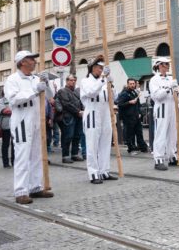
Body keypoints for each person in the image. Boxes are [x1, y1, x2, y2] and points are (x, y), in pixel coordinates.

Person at [5, 50, 54, 204]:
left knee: (36, 156)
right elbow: (13, 99)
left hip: (37, 121)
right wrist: (34, 89)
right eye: (31, 59)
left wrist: (45, 84)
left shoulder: (36, 78)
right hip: (22, 121)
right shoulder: (13, 79)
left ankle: (35, 187)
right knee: (22, 157)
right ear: (22, 62)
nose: (34, 61)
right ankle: (20, 191)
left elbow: (50, 97)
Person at [80, 55, 118, 184]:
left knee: (105, 143)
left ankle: (104, 170)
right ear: (92, 68)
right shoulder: (86, 81)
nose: (101, 70)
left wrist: (111, 84)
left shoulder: (104, 81)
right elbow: (91, 92)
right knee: (92, 145)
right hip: (92, 113)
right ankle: (93, 173)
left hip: (105, 113)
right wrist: (103, 80)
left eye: (102, 68)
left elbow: (114, 97)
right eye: (99, 68)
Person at [149, 57, 179, 171]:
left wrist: (178, 91)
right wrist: (169, 87)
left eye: (168, 64)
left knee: (172, 134)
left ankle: (171, 156)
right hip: (161, 109)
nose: (167, 66)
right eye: (165, 64)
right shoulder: (154, 80)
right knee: (161, 134)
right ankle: (158, 159)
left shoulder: (170, 79)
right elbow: (156, 96)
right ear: (159, 66)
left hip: (172, 108)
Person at [54, 75, 84, 163]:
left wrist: (82, 111)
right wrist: (78, 111)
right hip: (68, 117)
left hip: (78, 116)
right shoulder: (62, 91)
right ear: (67, 81)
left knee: (77, 136)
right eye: (71, 80)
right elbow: (66, 104)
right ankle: (65, 156)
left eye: (74, 80)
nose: (73, 82)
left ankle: (74, 154)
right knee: (68, 136)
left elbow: (80, 101)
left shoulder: (77, 91)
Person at [116, 78, 148, 155]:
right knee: (129, 134)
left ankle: (142, 147)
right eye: (130, 84)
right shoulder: (124, 93)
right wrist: (129, 102)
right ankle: (131, 149)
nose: (132, 85)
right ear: (128, 84)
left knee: (139, 132)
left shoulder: (134, 92)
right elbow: (119, 104)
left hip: (136, 116)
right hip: (128, 117)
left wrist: (140, 113)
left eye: (133, 84)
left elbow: (138, 104)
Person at [0, 96, 14, 168]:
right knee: (6, 144)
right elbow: (5, 111)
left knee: (15, 144)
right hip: (5, 124)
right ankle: (6, 163)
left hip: (14, 124)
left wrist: (10, 110)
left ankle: (14, 161)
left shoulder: (13, 98)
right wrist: (13, 110)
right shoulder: (1, 100)